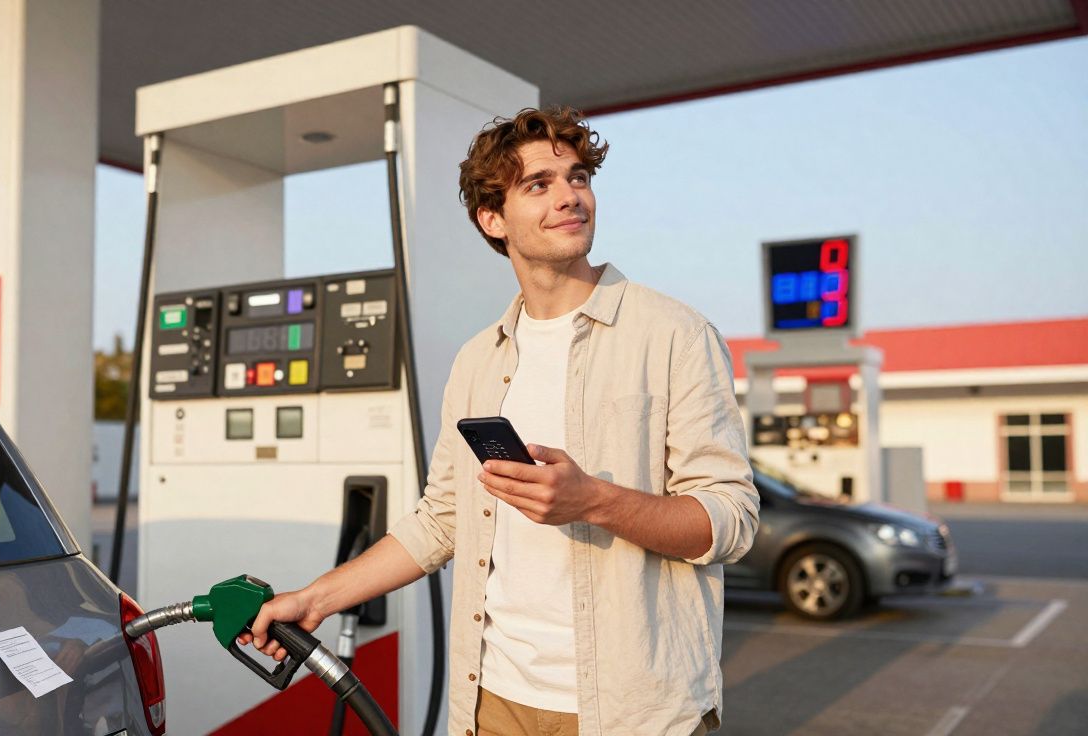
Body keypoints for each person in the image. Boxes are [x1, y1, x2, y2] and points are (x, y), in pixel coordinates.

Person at [241, 106, 759, 736]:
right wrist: (314, 600)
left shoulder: (674, 335)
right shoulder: (479, 361)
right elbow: (442, 520)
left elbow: (731, 520)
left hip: (634, 710)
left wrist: (594, 500)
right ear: (493, 219)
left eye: (578, 177)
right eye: (539, 185)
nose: (570, 196)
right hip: (493, 701)